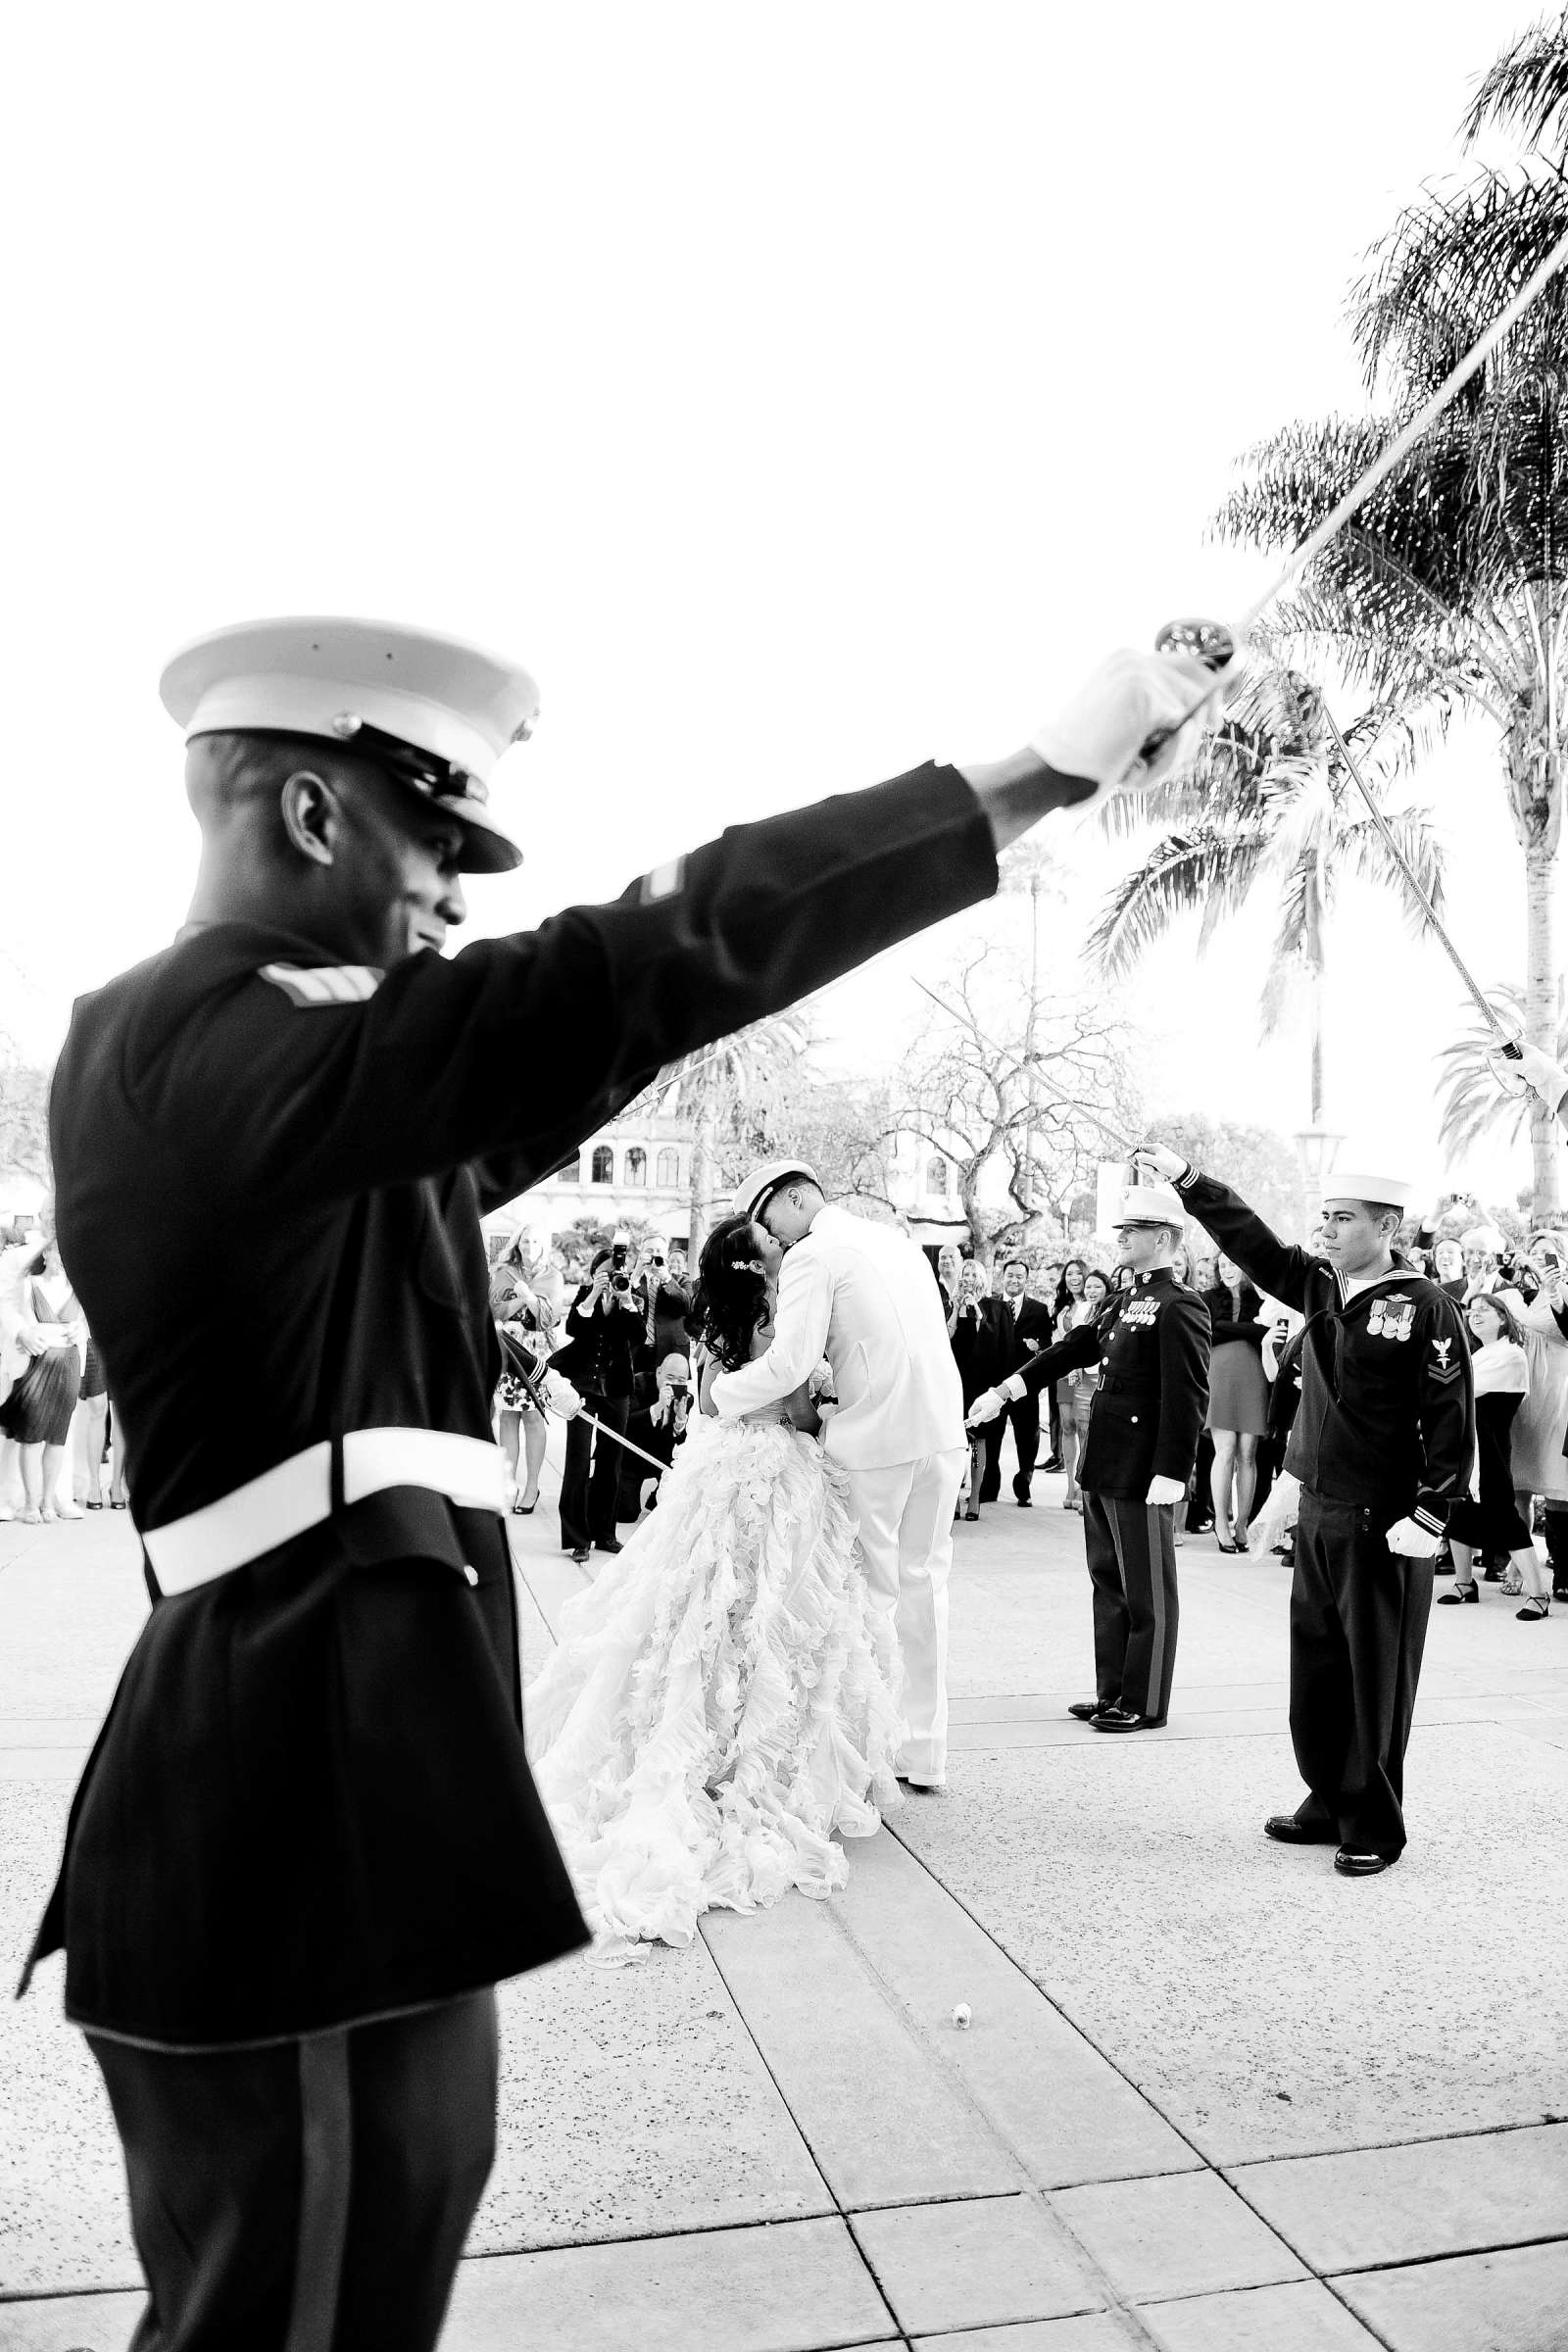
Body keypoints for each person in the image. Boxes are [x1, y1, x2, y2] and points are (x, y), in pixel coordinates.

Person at [26, 611, 1220, 2351]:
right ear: (306, 815)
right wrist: (1023, 777)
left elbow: (590, 1035)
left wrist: (706, 993)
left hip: (352, 1791)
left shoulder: (302, 1103)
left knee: (361, 2288)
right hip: (293, 1805)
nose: (453, 897)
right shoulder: (192, 1037)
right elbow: (608, 973)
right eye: (438, 841)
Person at [526, 1215, 901, 1955]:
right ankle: (744, 1763)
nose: (779, 1240)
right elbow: (795, 1408)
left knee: (696, 1612)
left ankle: (693, 1743)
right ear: (753, 1260)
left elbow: (705, 1402)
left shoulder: (719, 1324)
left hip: (718, 1464)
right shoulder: (777, 1314)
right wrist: (822, 1402)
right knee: (771, 1617)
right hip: (776, 1472)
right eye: (767, 1236)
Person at [1135, 1141, 1474, 1877]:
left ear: (1387, 1229)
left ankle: (1376, 1824)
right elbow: (1251, 1240)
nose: (1326, 1230)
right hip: (1319, 1511)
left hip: (1384, 1522)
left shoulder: (1425, 1305)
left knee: (1374, 1677)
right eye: (1324, 1217)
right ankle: (1328, 1798)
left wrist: (1433, 1513)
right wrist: (1190, 1181)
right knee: (1318, 1673)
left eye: (1343, 1218)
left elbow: (1451, 1417)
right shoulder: (1321, 1287)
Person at [713, 1163, 970, 1788]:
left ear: (796, 1197)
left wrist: (720, 1392)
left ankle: (867, 1755)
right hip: (941, 1434)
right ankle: (923, 1752)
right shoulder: (898, 1242)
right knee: (926, 1588)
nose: (770, 1237)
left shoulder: (814, 1255)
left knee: (872, 1596)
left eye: (767, 1220)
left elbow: (788, 1364)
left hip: (877, 1439)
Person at [968, 1179, 1210, 1733]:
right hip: (1104, 1461)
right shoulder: (1125, 1300)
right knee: (1108, 1581)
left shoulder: (1180, 1307)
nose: (1122, 1237)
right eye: (1123, 1228)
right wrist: (1008, 1390)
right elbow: (1071, 1349)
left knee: (1147, 1590)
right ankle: (1113, 1691)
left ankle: (1144, 1700)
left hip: (1143, 1470)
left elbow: (1188, 1394)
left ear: (1165, 1237)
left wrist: (1174, 1470)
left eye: (1133, 1229)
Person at [1436, 1292, 1549, 1618]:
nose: (1475, 1314)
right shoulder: (1477, 1355)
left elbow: (1460, 1391)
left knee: (1503, 1516)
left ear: (1503, 1318)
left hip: (1491, 1450)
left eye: (1485, 1310)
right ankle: (1463, 1583)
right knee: (1458, 1514)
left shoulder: (1510, 1354)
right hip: (1464, 1448)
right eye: (1471, 1311)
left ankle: (1538, 1594)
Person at [556, 1245, 647, 1562]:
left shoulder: (632, 1296)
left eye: (615, 1273)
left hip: (618, 1391)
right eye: (605, 1273)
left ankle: (605, 1534)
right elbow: (572, 1330)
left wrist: (626, 1300)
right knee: (578, 1462)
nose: (612, 1278)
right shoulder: (585, 1294)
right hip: (583, 1388)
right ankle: (578, 1538)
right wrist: (593, 1295)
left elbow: (636, 1336)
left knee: (611, 1463)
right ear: (595, 1273)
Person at [0, 1240, 85, 1523]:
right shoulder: (28, 1284)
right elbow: (12, 1313)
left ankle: (49, 1502)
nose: (61, 1258)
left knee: (58, 1438)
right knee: (32, 1435)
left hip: (68, 1363)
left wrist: (78, 1329)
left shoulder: (78, 1285)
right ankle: (29, 1504)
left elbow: (86, 1321)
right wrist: (25, 1333)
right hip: (37, 1364)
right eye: (57, 1251)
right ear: (46, 1253)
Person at [1201, 1252, 1270, 1553]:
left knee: (1248, 1453)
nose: (1227, 1270)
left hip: (1254, 1375)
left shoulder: (1261, 1296)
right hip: (1220, 1374)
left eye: (1233, 1264)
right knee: (1225, 1451)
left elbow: (1273, 1331)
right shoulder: (1206, 1296)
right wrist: (1254, 1330)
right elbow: (1209, 1331)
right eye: (1223, 1265)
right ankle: (1220, 1522)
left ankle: (1242, 1523)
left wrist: (1229, 1329)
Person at [980, 1255, 1054, 1505]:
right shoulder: (988, 1305)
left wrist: (1038, 1346)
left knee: (1028, 1438)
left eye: (1019, 1276)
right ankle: (989, 1487)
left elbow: (1048, 1346)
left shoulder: (1039, 1310)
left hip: (1024, 1385)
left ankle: (1024, 1484)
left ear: (1026, 1280)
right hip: (995, 1384)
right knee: (992, 1436)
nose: (1014, 1280)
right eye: (1010, 1275)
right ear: (1003, 1277)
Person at [949, 1256, 1002, 1519]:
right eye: (965, 1274)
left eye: (973, 1274)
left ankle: (976, 1497)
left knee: (978, 1439)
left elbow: (991, 1340)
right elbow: (945, 1338)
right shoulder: (951, 1304)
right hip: (954, 1379)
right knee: (954, 1441)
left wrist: (976, 1312)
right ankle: (953, 1500)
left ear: (981, 1278)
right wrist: (955, 1310)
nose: (968, 1279)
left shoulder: (993, 1307)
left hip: (979, 1379)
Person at [1056, 1265, 1111, 1511]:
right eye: (1088, 1285)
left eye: (1095, 1285)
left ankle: (1084, 1488)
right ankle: (1073, 1485)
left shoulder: (1108, 1308)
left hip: (1091, 1374)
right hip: (1069, 1371)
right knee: (1069, 1424)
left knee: (1086, 1429)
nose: (1088, 1288)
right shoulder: (1068, 1307)